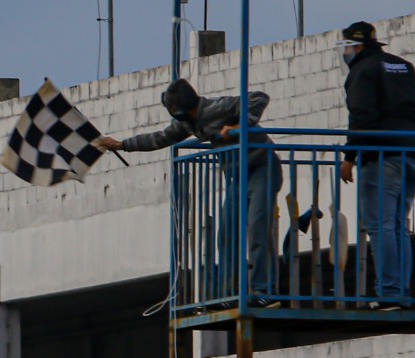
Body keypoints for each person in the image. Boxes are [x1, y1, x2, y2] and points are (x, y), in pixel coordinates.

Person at [97, 79, 283, 308]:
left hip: (262, 167)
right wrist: (122, 145)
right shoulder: (188, 124)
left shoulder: (218, 107)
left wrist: (239, 125)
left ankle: (265, 290)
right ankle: (231, 294)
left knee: (257, 228)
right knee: (227, 234)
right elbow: (160, 138)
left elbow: (259, 97)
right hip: (237, 177)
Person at [337, 21, 415, 310]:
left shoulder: (362, 72)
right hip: (412, 154)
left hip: (382, 157)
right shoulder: (402, 66)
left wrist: (349, 157)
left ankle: (390, 292)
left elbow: (361, 116)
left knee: (381, 225)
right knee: (398, 225)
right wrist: (413, 136)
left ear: (357, 46)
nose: (345, 53)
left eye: (347, 47)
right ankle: (400, 292)